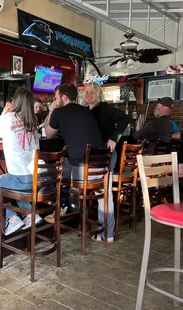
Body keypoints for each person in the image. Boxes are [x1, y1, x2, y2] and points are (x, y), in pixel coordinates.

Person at [45, 83, 115, 243]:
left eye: (56, 98)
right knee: (104, 195)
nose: (55, 101)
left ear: (63, 97)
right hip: (102, 165)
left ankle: (62, 212)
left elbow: (48, 134)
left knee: (51, 175)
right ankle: (108, 234)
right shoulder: (86, 110)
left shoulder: (58, 111)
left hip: (83, 172)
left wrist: (51, 109)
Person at [0, 87, 41, 236]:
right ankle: (31, 214)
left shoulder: (10, 117)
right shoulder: (34, 122)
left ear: (15, 102)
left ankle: (12, 219)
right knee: (14, 184)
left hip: (21, 181)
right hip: (36, 180)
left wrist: (4, 113)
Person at [82, 82, 129, 242]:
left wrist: (114, 137)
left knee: (104, 193)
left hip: (106, 155)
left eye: (91, 92)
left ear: (98, 93)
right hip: (94, 157)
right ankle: (101, 229)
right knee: (100, 193)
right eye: (86, 92)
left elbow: (125, 118)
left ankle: (107, 233)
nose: (88, 95)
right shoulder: (85, 111)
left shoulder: (104, 107)